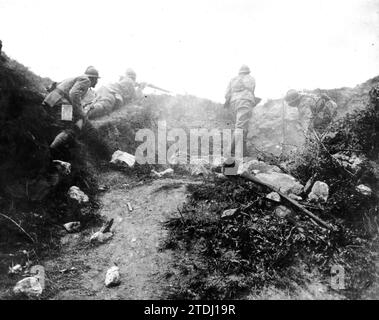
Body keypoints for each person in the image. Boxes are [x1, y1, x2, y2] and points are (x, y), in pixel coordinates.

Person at [43, 66, 100, 150]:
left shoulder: (76, 78)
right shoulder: (86, 80)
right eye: (97, 79)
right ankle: (51, 150)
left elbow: (55, 86)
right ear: (93, 78)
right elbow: (73, 94)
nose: (97, 82)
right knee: (69, 128)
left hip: (52, 99)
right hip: (63, 102)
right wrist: (80, 112)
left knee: (60, 124)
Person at [224, 64, 257, 158]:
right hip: (245, 102)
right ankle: (230, 151)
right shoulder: (251, 78)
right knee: (241, 127)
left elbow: (226, 94)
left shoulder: (233, 79)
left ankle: (243, 152)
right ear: (248, 72)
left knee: (240, 127)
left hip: (233, 103)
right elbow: (252, 91)